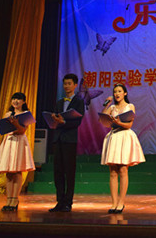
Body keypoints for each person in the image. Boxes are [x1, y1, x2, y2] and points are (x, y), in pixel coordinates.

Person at [100, 84, 146, 213]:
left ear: (125, 93)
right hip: (114, 137)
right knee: (112, 172)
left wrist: (119, 123)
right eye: (115, 91)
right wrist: (106, 105)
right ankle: (114, 203)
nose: (117, 94)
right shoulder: (112, 107)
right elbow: (102, 120)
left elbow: (129, 124)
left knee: (123, 169)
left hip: (124, 136)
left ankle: (121, 202)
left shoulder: (130, 106)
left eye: (119, 91)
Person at [0, 92, 36, 211]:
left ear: (23, 102)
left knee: (17, 172)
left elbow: (22, 131)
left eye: (19, 99)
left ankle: (15, 199)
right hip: (9, 141)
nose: (16, 101)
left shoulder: (25, 114)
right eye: (14, 99)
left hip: (19, 142)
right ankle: (9, 199)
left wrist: (15, 124)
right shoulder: (8, 114)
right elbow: (4, 129)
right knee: (9, 172)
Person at [49, 73, 85, 212]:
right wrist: (53, 119)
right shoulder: (59, 102)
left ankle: (68, 202)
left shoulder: (78, 101)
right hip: (58, 138)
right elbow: (54, 120)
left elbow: (78, 121)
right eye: (65, 84)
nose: (66, 86)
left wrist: (63, 121)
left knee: (69, 171)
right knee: (58, 171)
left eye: (69, 83)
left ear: (75, 85)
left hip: (70, 139)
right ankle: (59, 201)